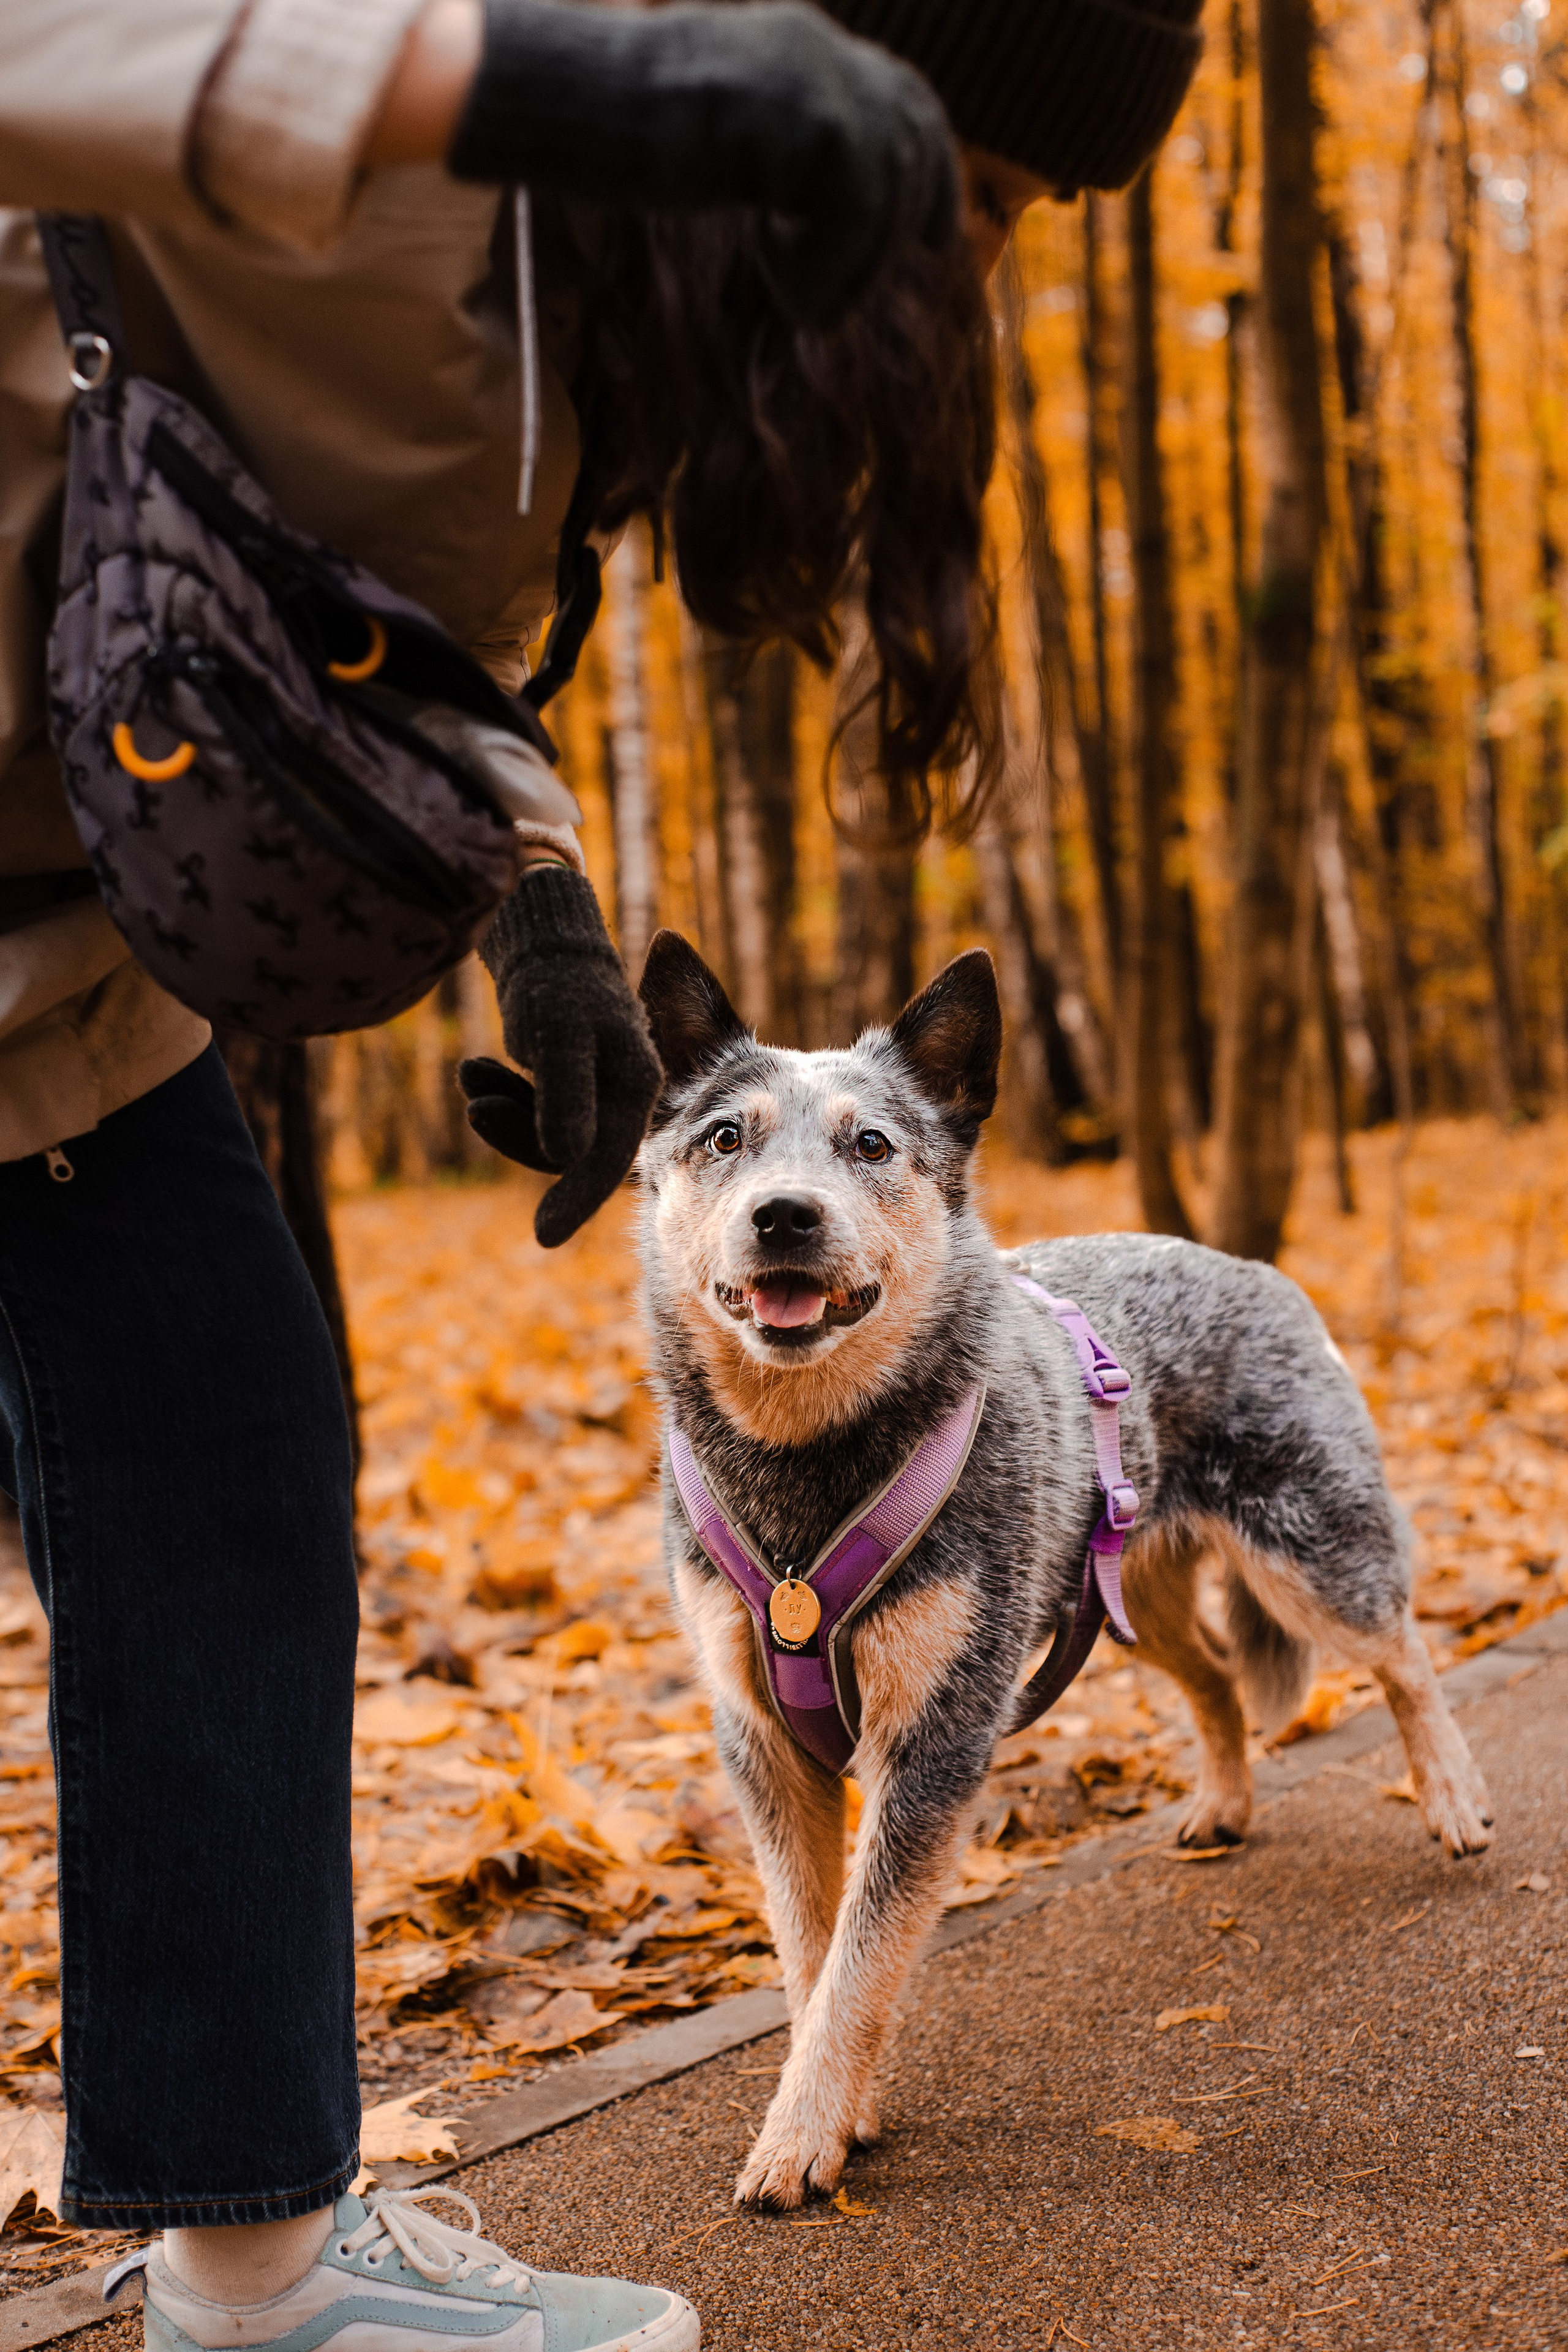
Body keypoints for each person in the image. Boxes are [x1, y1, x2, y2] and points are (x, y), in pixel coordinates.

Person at [0, 2, 1202, 2348]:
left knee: (220, 1472)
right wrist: (500, 76)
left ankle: (254, 2254)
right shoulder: (483, 99)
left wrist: (536, 897)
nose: (963, 270)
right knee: (208, 1465)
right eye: (971, 192)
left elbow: (380, 598)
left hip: (49, 955)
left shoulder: (609, 321)